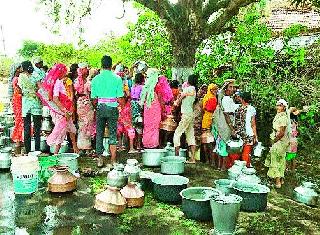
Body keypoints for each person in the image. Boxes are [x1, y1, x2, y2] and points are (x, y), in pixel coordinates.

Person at [91, 55, 124, 166]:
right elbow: (120, 98)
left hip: (100, 107)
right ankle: (113, 160)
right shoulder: (117, 79)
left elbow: (94, 99)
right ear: (111, 65)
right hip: (112, 108)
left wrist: (97, 107)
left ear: (102, 65)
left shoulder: (95, 79)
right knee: (113, 134)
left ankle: (100, 159)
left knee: (99, 133)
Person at [39, 64, 78, 154]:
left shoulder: (56, 81)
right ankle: (56, 153)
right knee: (61, 131)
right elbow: (55, 98)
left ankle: (72, 149)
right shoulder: (58, 82)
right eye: (64, 71)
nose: (66, 73)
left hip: (61, 110)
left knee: (68, 129)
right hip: (61, 111)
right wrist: (64, 111)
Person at [213, 79, 239, 170]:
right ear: (226, 89)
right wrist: (232, 128)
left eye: (233, 87)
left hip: (221, 124)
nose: (232, 89)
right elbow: (227, 114)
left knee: (220, 145)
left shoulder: (224, 98)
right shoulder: (226, 99)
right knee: (224, 146)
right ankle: (223, 167)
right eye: (230, 87)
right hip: (225, 125)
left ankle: (219, 166)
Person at [18, 61, 43, 154]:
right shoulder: (36, 75)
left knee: (27, 128)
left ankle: (28, 150)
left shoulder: (20, 77)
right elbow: (41, 88)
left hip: (26, 104)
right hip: (36, 103)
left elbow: (20, 90)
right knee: (37, 128)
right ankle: (37, 150)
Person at [265, 99, 290, 188]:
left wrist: (274, 140)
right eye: (277, 105)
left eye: (280, 105)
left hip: (280, 142)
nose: (278, 107)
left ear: (284, 107)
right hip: (279, 141)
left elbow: (281, 132)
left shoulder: (283, 118)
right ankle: (281, 180)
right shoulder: (279, 115)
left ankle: (277, 182)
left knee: (276, 161)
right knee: (281, 160)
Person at [173, 74, 197, 163]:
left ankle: (176, 157)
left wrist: (176, 103)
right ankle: (192, 158)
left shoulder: (188, 89)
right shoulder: (194, 89)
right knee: (190, 135)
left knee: (177, 133)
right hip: (190, 113)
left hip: (186, 114)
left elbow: (182, 96)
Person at [74, 63, 95, 152]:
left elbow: (74, 94)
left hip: (79, 104)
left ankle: (81, 146)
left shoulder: (76, 82)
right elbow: (91, 95)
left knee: (81, 125)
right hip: (87, 103)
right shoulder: (89, 83)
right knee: (88, 125)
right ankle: (87, 147)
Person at [140, 68, 162, 149]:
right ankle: (153, 145)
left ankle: (146, 144)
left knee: (147, 127)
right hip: (155, 109)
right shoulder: (157, 86)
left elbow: (142, 101)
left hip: (147, 109)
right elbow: (160, 99)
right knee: (155, 127)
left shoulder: (145, 87)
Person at [234, 92, 258, 167]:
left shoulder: (237, 108)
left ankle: (237, 169)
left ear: (242, 99)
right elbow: (253, 124)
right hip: (248, 134)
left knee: (237, 153)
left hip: (238, 134)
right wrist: (255, 136)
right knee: (246, 154)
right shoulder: (252, 109)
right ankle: (245, 170)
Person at [201, 84, 218, 164]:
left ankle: (207, 160)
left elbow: (203, 108)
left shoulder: (205, 97)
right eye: (214, 89)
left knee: (205, 140)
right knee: (211, 141)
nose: (216, 91)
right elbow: (211, 109)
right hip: (210, 119)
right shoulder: (212, 98)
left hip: (205, 118)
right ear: (211, 90)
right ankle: (212, 161)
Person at [10, 64, 23, 154]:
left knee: (19, 120)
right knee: (19, 120)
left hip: (17, 100)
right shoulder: (16, 79)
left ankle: (19, 140)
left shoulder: (17, 78)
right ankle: (18, 140)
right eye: (20, 67)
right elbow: (19, 90)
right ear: (17, 69)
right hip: (18, 101)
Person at [193, 84, 207, 162]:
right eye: (202, 89)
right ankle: (193, 156)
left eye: (205, 90)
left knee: (198, 139)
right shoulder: (196, 99)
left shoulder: (203, 100)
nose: (203, 91)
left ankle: (196, 156)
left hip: (200, 121)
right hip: (195, 121)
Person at [131, 73, 144, 150]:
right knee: (139, 125)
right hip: (139, 105)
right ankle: (139, 144)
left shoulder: (133, 87)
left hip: (132, 105)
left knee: (133, 125)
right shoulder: (142, 87)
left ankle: (132, 144)